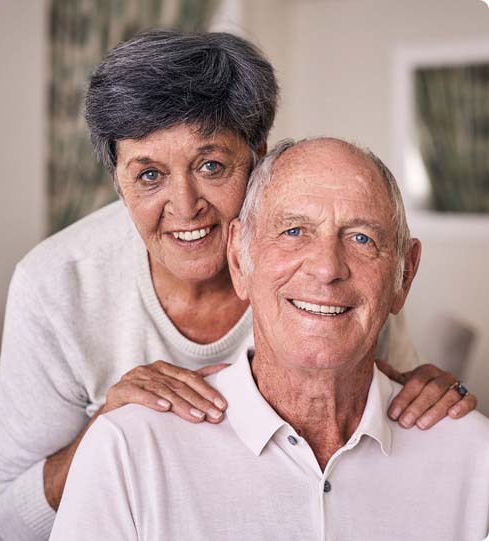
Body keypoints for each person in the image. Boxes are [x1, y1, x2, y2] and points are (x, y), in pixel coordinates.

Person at [0, 31, 476, 541]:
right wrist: (103, 433)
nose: (184, 205)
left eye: (211, 166)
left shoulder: (325, 280)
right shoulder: (57, 286)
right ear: (117, 180)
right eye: (149, 175)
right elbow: (2, 517)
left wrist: (426, 394)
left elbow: (387, 399)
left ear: (258, 157)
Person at [50, 138, 489, 541]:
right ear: (240, 260)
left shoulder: (474, 454)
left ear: (404, 275)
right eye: (294, 231)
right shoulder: (127, 449)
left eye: (361, 238)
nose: (326, 268)